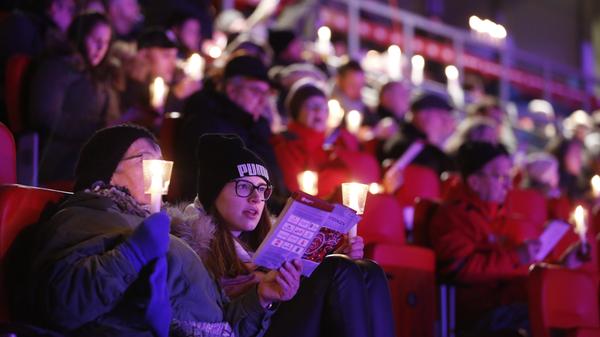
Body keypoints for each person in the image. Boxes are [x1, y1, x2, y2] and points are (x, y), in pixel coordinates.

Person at [7, 124, 301, 337]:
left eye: (161, 165)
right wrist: (133, 254)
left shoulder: (153, 226)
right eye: (147, 162)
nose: (157, 175)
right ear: (108, 170)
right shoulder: (84, 217)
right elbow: (63, 305)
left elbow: (222, 324)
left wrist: (262, 297)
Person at [171, 133, 396, 337]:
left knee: (369, 270)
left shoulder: (267, 237)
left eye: (262, 189)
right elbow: (218, 325)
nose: (255, 198)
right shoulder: (193, 247)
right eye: (243, 187)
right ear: (214, 191)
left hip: (284, 320)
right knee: (336, 269)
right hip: (259, 329)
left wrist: (327, 256)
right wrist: (260, 295)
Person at [429, 141, 585, 337]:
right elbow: (459, 268)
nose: (508, 184)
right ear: (474, 181)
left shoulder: (502, 218)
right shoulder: (452, 216)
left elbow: (521, 269)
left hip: (513, 304)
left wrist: (562, 264)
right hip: (480, 316)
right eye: (499, 176)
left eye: (508, 176)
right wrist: (516, 256)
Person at [174, 54, 287, 212]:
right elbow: (231, 191)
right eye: (256, 91)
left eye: (266, 94)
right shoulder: (208, 124)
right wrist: (283, 208)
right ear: (232, 89)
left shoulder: (257, 127)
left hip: (262, 211)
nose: (262, 101)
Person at [27, 12, 116, 186]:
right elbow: (45, 116)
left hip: (86, 152)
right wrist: (94, 131)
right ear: (80, 36)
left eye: (105, 43)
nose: (100, 48)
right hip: (58, 158)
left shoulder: (98, 75)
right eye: (95, 39)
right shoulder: (58, 67)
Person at [271, 79, 380, 199]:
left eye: (322, 107)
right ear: (297, 111)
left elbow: (369, 173)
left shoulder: (334, 143)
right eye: (311, 106)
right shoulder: (286, 145)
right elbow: (295, 193)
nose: (318, 111)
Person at [380, 93, 456, 175]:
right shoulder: (413, 147)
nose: (446, 124)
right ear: (423, 116)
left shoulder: (405, 138)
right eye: (442, 118)